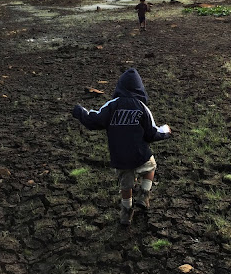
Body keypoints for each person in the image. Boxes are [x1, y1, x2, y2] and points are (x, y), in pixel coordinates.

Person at [71, 68, 172, 225]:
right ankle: (144, 195)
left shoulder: (112, 105)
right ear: (140, 88)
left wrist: (80, 112)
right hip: (140, 154)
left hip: (120, 156)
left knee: (126, 184)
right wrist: (165, 132)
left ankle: (126, 212)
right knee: (151, 167)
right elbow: (152, 133)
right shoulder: (142, 107)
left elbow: (94, 120)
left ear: (120, 86)